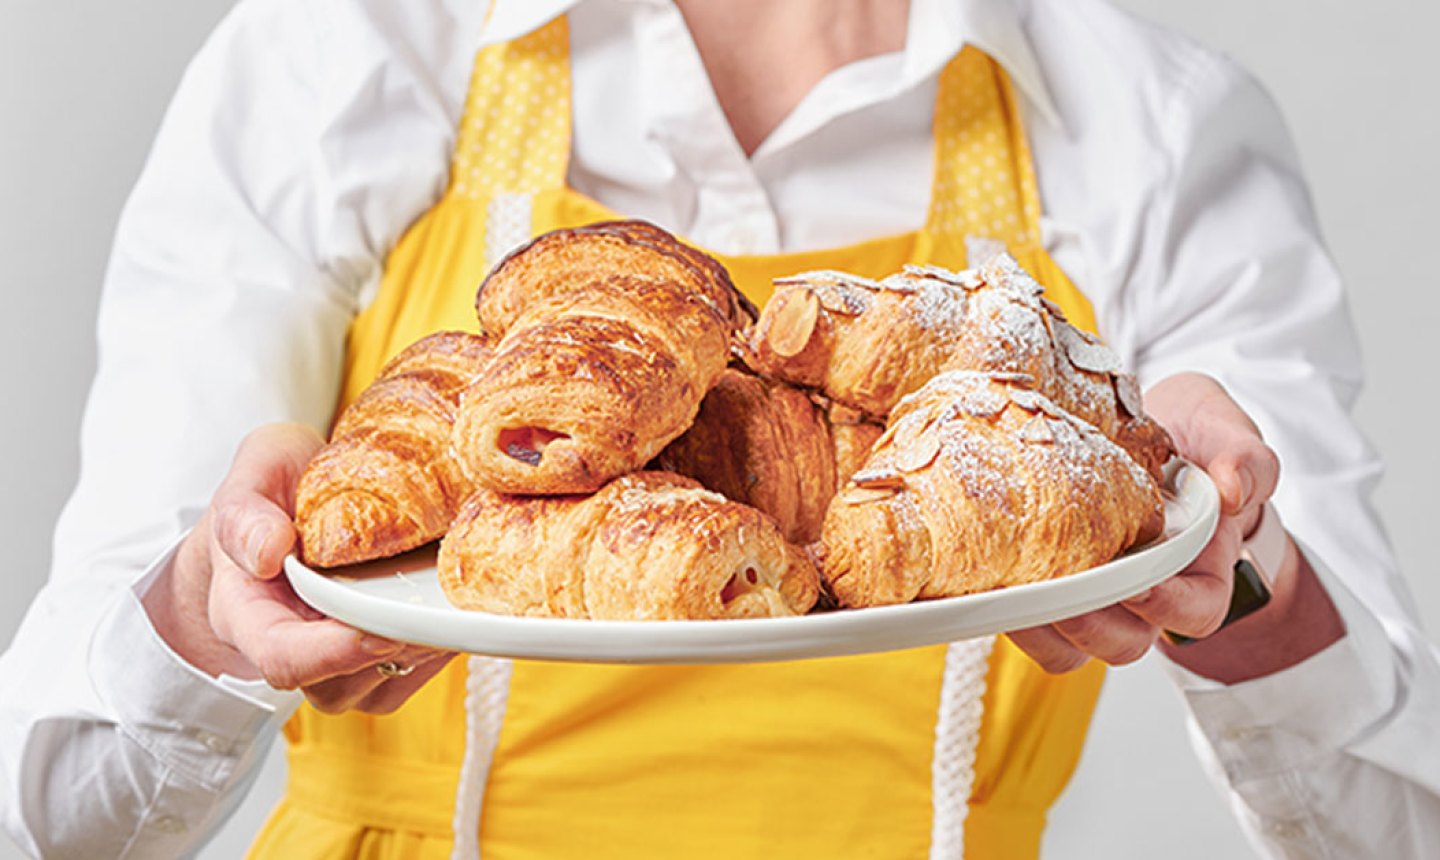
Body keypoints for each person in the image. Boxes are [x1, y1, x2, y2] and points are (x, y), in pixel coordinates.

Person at [2, 0, 1437, 856]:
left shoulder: (1140, 123)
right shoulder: (362, 53)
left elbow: (1392, 820)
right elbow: (61, 814)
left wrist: (1223, 563)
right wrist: (210, 615)